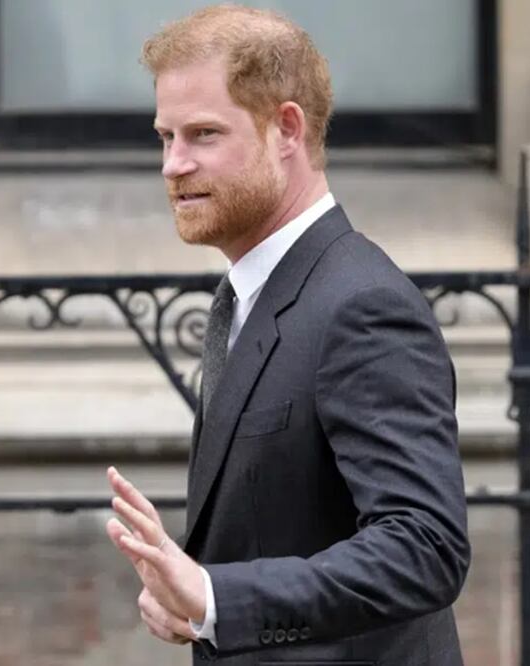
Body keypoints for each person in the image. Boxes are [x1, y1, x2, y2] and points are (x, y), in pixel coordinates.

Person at [105, 5, 469, 664]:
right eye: (166, 136)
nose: (173, 165)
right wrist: (196, 603)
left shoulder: (363, 304)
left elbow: (426, 547)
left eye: (204, 135)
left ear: (287, 130)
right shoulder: (249, 297)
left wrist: (218, 597)